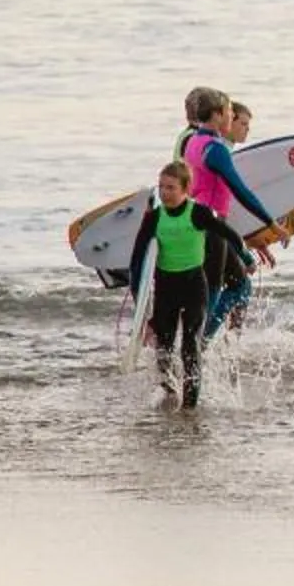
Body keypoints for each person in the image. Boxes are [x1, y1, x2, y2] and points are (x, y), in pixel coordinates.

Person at [126, 160, 251, 410]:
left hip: (194, 286)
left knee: (190, 345)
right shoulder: (153, 218)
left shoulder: (198, 213)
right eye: (161, 187)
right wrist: (140, 301)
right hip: (165, 289)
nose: (165, 193)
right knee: (164, 346)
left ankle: (189, 408)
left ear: (185, 189)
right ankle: (170, 389)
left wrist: (246, 257)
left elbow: (228, 234)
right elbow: (137, 260)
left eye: (171, 187)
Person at [177, 88, 283, 336]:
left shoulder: (193, 143)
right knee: (216, 291)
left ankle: (198, 345)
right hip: (212, 228)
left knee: (239, 286)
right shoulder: (215, 149)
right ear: (216, 115)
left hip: (199, 223)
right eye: (228, 112)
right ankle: (199, 346)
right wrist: (270, 222)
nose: (230, 117)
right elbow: (240, 190)